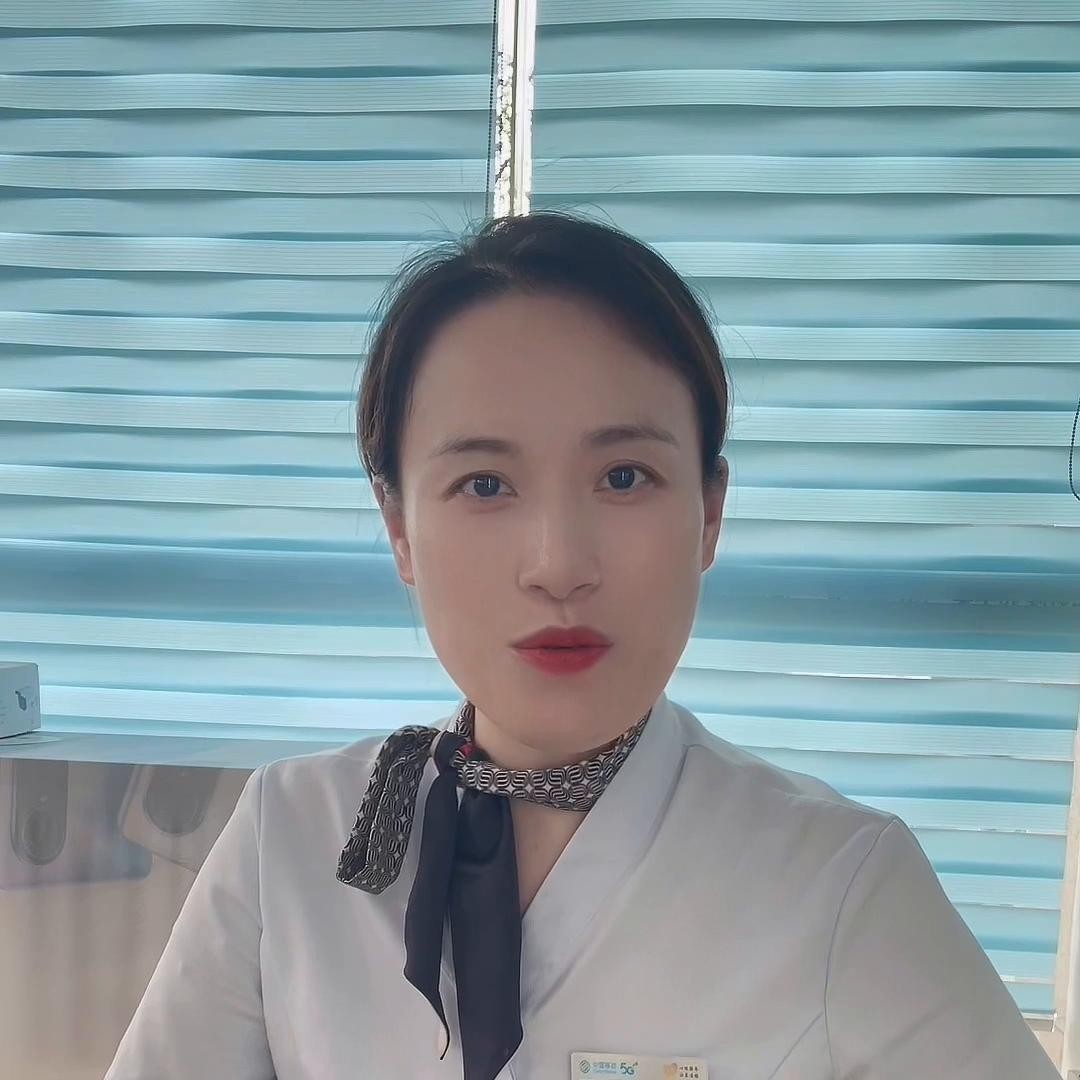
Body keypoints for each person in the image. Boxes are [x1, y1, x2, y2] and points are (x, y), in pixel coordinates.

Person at [104, 212, 1058, 1080]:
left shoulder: (843, 886)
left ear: (710, 513)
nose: (559, 565)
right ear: (399, 530)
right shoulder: (290, 838)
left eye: (625, 476)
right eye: (485, 485)